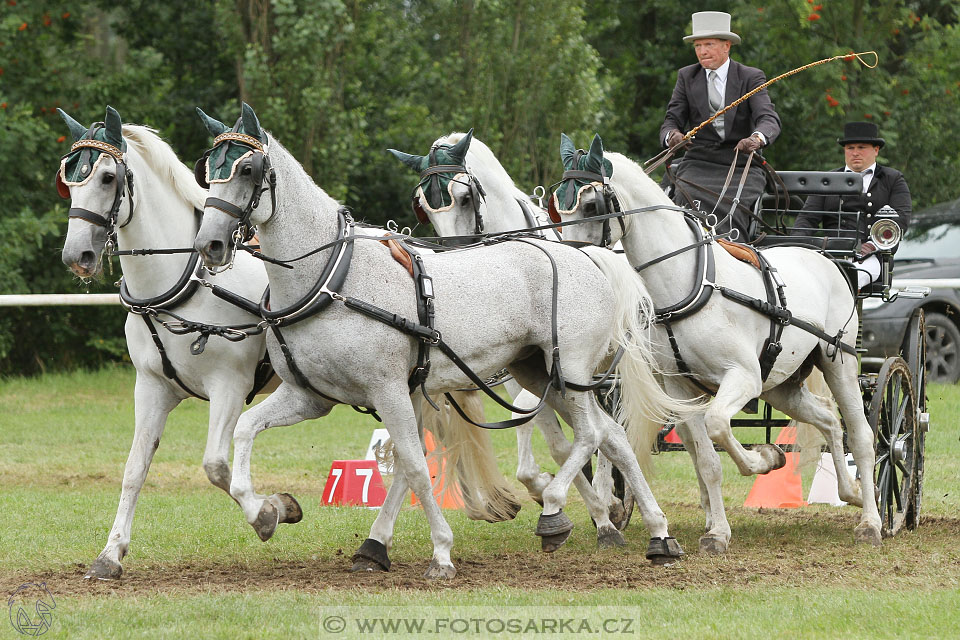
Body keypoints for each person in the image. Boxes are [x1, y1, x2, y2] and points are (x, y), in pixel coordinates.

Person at [660, 11, 781, 240]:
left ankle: (732, 254)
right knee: (683, 203)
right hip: (699, 162)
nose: (702, 51)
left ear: (727, 46)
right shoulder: (687, 76)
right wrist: (673, 136)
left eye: (709, 44)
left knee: (732, 207)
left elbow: (769, 119)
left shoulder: (750, 77)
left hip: (740, 163)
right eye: (698, 45)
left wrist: (756, 139)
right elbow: (671, 120)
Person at [792, 121, 912, 289]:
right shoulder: (828, 180)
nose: (855, 153)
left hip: (873, 256)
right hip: (829, 253)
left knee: (851, 279)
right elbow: (807, 219)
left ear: (876, 150)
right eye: (850, 148)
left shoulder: (892, 179)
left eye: (861, 147)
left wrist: (871, 246)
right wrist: (795, 247)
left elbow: (901, 219)